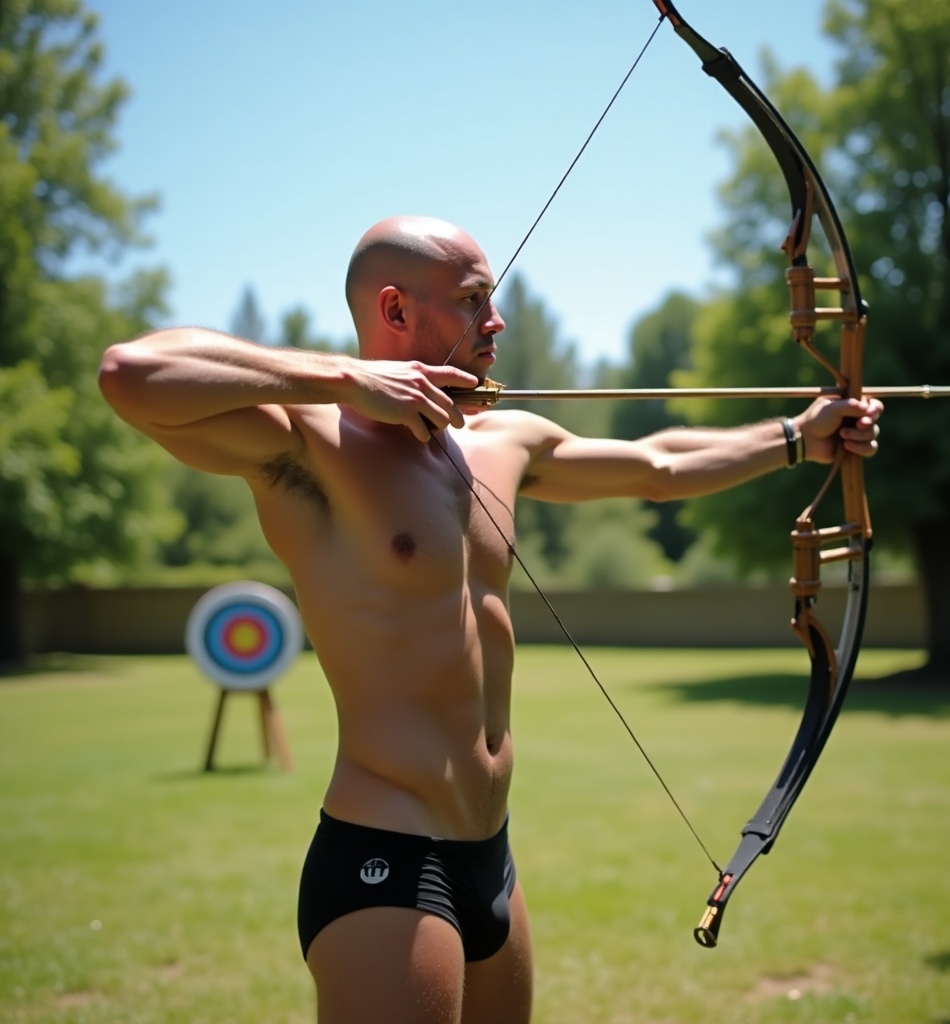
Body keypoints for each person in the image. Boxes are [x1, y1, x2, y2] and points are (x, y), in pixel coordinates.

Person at [98, 214, 882, 1024]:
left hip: (492, 858)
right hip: (387, 854)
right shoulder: (306, 440)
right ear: (396, 312)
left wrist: (798, 436)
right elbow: (131, 372)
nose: (497, 320)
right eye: (475, 300)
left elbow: (659, 466)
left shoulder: (503, 438)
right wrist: (343, 380)